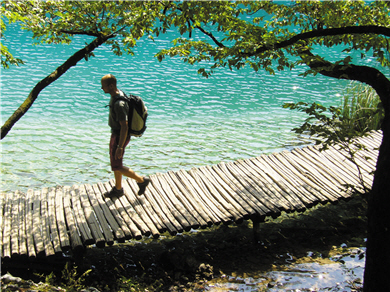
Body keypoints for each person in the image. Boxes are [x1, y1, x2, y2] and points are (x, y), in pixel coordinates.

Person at [101, 74, 150, 197]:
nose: (102, 88)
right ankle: (118, 189)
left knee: (117, 166)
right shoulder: (118, 94)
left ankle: (142, 180)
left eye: (104, 86)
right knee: (116, 164)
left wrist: (120, 147)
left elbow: (124, 126)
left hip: (119, 137)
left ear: (111, 86)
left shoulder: (120, 104)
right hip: (116, 135)